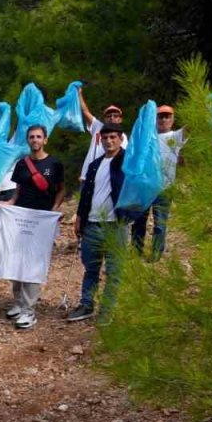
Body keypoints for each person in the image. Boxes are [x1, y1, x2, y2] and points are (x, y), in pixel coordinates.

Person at [4, 125, 66, 330]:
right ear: (28, 140)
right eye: (31, 137)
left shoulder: (55, 163)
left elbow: (61, 190)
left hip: (41, 220)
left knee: (33, 263)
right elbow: (18, 190)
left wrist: (54, 210)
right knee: (16, 259)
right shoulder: (22, 164)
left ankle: (29, 310)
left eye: (39, 137)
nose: (35, 140)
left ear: (45, 140)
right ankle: (19, 302)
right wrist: (9, 204)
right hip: (20, 217)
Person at [68, 123, 132, 322]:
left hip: (116, 225)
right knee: (91, 268)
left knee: (114, 271)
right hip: (92, 224)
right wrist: (80, 218)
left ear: (120, 139)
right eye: (105, 138)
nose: (109, 141)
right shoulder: (94, 164)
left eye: (113, 137)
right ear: (100, 140)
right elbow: (86, 194)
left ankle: (107, 310)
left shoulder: (128, 161)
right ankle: (86, 304)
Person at [130, 105, 185, 260]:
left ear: (172, 120)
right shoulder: (147, 138)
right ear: (154, 119)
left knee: (160, 225)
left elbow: (191, 128)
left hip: (165, 188)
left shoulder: (176, 136)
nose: (163, 119)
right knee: (139, 221)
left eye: (167, 116)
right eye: (160, 116)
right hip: (144, 187)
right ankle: (136, 253)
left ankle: (155, 256)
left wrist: (205, 105)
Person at [77, 89, 129, 181]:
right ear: (104, 119)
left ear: (120, 119)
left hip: (104, 178)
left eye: (115, 115)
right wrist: (79, 94)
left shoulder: (122, 137)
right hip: (86, 176)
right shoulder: (98, 126)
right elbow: (85, 111)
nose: (112, 118)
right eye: (108, 116)